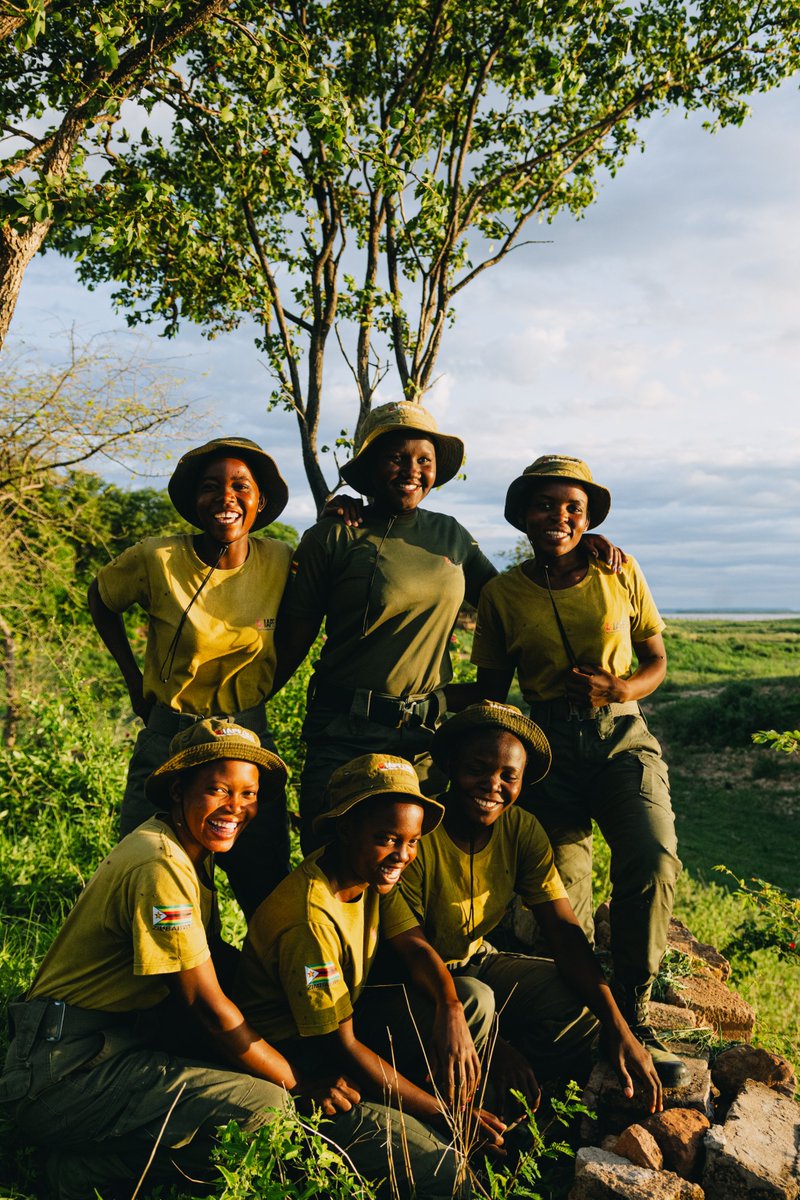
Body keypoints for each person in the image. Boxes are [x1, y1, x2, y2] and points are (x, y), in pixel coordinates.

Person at [0, 720, 360, 1200]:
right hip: (65, 1072)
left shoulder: (189, 848)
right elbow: (207, 1008)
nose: (236, 808)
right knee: (266, 1105)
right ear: (178, 789)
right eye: (217, 790)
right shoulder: (159, 863)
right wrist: (300, 1084)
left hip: (113, 1042)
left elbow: (211, 961)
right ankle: (86, 1172)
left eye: (249, 794)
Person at [272, 402, 622, 851]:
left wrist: (575, 547)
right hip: (343, 733)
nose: (411, 470)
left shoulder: (452, 536)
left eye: (424, 460)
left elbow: (511, 601)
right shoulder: (335, 535)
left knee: (411, 873)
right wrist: (243, 703)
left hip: (424, 744)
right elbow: (292, 642)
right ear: (371, 465)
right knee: (329, 860)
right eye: (396, 457)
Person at [470, 455, 686, 1087]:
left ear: (588, 517)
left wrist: (620, 687)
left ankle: (636, 1006)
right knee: (560, 894)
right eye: (545, 505)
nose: (559, 517)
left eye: (573, 507)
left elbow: (657, 659)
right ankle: (583, 1026)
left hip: (622, 739)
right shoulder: (503, 594)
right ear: (523, 516)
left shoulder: (618, 571)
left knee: (652, 853)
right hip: (548, 751)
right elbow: (490, 689)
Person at [233, 752, 506, 1197]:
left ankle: (440, 1112)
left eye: (413, 841)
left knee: (470, 997)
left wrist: (450, 1006)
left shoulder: (368, 876)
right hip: (304, 1064)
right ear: (345, 829)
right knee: (442, 1171)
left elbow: (415, 948)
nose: (403, 854)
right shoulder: (309, 919)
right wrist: (443, 1115)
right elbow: (340, 1047)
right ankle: (435, 1126)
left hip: (345, 1030)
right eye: (387, 838)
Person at [401, 701, 663, 1118]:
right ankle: (454, 1111)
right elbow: (406, 949)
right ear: (450, 765)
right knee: (476, 1000)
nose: (492, 785)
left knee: (579, 1003)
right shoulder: (418, 828)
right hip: (408, 979)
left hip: (473, 962)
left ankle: (517, 1092)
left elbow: (563, 932)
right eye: (478, 768)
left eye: (509, 776)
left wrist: (619, 1027)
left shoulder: (521, 829)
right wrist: (494, 1045)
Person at [88, 436, 293, 914]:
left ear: (259, 501)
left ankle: (253, 986)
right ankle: (156, 985)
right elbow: (101, 597)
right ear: (193, 501)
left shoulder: (281, 561)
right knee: (148, 879)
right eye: (209, 487)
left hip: (248, 747)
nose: (225, 498)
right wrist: (132, 677)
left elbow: (311, 614)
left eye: (241, 486)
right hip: (170, 740)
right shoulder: (157, 558)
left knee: (264, 887)